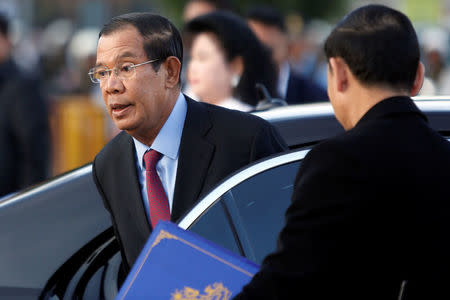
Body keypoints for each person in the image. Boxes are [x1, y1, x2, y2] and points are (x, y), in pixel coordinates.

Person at [234, 4, 450, 300]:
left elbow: (285, 283)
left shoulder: (336, 163)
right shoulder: (443, 156)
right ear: (418, 77)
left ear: (338, 73)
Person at [90, 12, 287, 276]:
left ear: (170, 72)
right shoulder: (108, 165)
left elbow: (286, 252)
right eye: (102, 72)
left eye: (126, 68)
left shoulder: (246, 139)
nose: (111, 86)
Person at [183, 11, 278, 111]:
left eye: (202, 58)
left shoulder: (248, 120)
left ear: (236, 66)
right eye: (191, 58)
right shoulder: (185, 112)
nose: (192, 67)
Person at [0, 13, 50, 197]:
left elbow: (34, 155)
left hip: (12, 207)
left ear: (6, 40)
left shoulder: (22, 87)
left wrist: (27, 205)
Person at [246, 5, 328, 104]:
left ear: (286, 42)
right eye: (256, 48)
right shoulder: (237, 96)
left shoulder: (313, 95)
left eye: (270, 49)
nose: (263, 56)